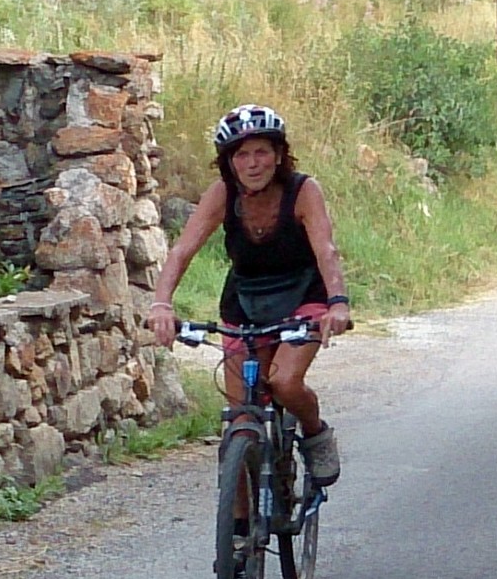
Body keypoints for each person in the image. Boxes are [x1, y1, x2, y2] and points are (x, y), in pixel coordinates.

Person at [147, 105, 352, 485]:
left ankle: (314, 432)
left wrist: (337, 303)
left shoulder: (303, 191)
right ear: (228, 162)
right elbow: (181, 251)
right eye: (241, 154)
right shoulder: (223, 194)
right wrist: (161, 304)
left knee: (284, 383)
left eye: (261, 151)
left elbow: (326, 249)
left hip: (302, 297)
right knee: (240, 423)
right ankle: (240, 537)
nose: (252, 163)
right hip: (245, 305)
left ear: (278, 155)